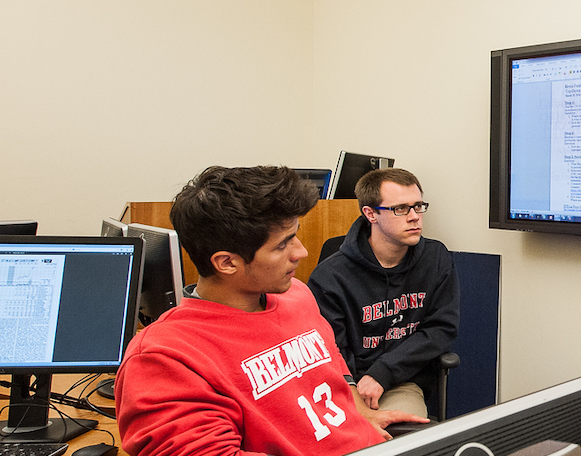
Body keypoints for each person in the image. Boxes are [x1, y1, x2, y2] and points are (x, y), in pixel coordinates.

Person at [116, 166, 427, 456]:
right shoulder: (164, 357)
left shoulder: (298, 295)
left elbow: (333, 367)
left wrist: (359, 417)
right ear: (227, 262)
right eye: (283, 245)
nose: (301, 252)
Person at [308, 168, 459, 420]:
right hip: (341, 386)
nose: (414, 217)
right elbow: (330, 348)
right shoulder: (330, 276)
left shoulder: (435, 259)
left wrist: (384, 372)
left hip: (399, 380)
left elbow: (441, 329)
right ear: (370, 214)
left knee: (402, 441)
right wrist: (354, 392)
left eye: (418, 206)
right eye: (401, 209)